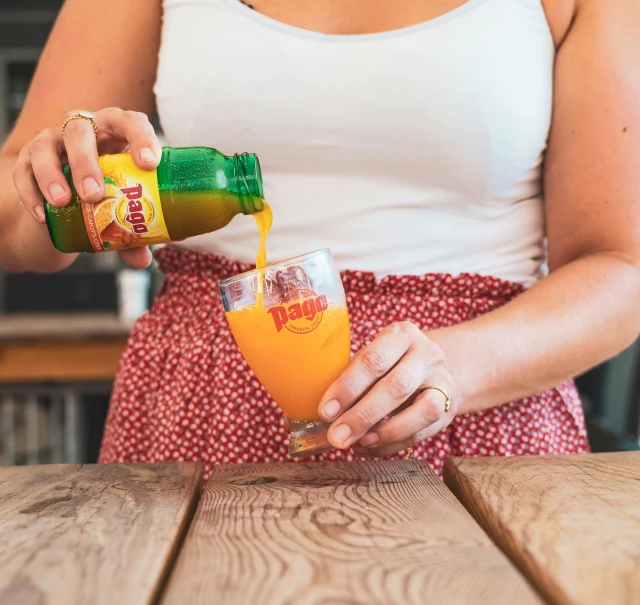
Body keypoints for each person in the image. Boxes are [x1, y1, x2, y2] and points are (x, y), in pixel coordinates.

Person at [1, 0, 639, 479]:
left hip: (477, 418)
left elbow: (622, 266)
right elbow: (12, 225)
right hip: (203, 405)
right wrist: (60, 190)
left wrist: (457, 370)